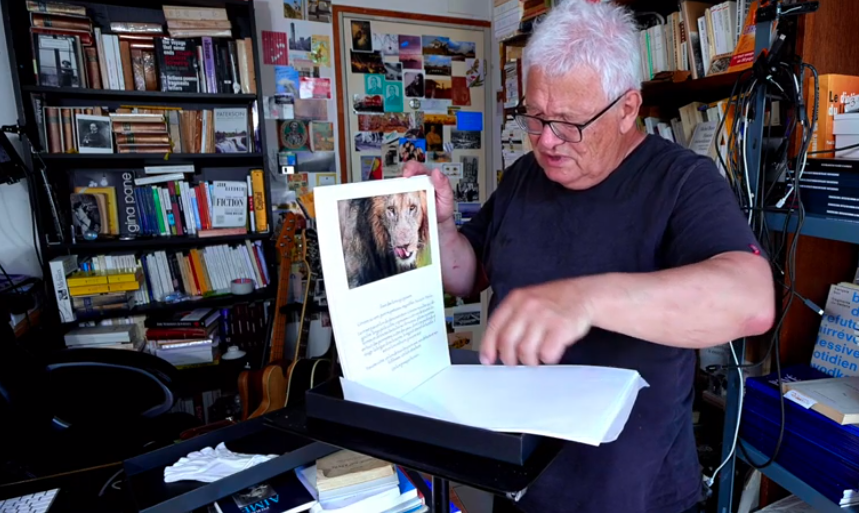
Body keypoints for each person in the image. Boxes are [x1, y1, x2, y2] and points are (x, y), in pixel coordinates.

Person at [402, 2, 775, 513]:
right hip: (520, 481)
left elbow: (751, 300)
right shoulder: (525, 176)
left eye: (569, 123)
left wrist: (585, 299)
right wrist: (442, 227)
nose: (547, 141)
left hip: (635, 499)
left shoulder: (682, 181)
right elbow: (469, 276)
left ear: (627, 109)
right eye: (535, 117)